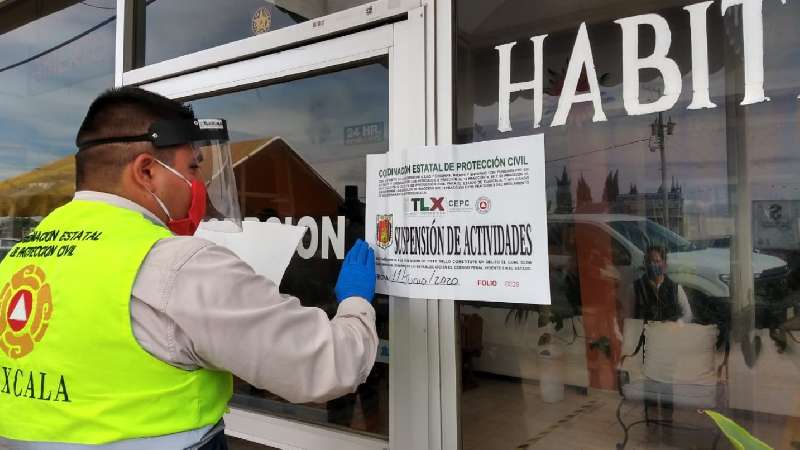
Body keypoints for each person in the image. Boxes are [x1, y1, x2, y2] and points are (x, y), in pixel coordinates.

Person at [0, 87, 378, 450]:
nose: (200, 186)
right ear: (146, 171)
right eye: (194, 168)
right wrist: (355, 303)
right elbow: (328, 363)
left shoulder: (20, 258)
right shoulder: (176, 266)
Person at [633, 245, 693, 323]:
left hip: (668, 333)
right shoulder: (635, 288)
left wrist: (676, 324)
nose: (652, 265)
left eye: (657, 261)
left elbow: (688, 315)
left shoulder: (675, 288)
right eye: (649, 261)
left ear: (664, 265)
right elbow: (628, 319)